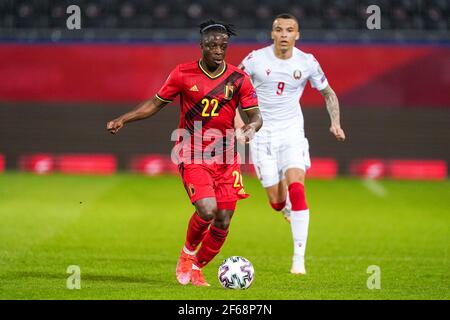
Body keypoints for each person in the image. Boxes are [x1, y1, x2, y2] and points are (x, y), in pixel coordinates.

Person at [107, 20, 262, 286]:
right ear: (201, 45)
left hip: (226, 158)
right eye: (212, 45)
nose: (218, 49)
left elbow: (256, 116)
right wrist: (125, 118)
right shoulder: (182, 74)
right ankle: (187, 254)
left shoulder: (239, 78)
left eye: (223, 45)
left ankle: (198, 267)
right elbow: (155, 103)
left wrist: (251, 128)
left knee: (223, 221)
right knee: (207, 209)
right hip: (193, 153)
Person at [235, 13, 345, 275]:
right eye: (279, 29)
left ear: (297, 35)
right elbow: (228, 89)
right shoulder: (255, 59)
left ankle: (298, 260)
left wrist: (336, 123)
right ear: (272, 33)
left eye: (289, 30)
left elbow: (328, 92)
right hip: (262, 135)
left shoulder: (307, 62)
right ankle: (282, 205)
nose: (284, 34)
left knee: (297, 188)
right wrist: (240, 124)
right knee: (276, 202)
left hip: (292, 133)